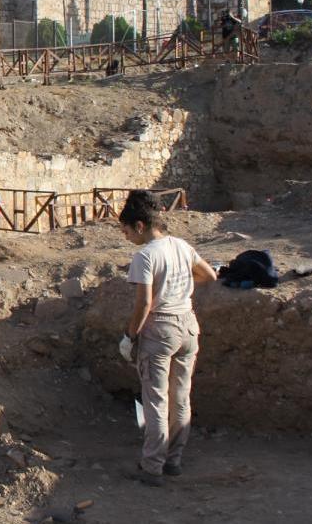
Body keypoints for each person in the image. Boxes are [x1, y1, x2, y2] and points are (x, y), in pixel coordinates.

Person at [117, 190, 217, 487]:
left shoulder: (145, 255)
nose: (126, 238)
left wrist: (129, 336)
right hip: (188, 325)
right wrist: (179, 285)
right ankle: (174, 460)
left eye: (126, 231)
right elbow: (209, 275)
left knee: (156, 401)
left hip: (159, 330)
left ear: (139, 226)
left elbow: (144, 303)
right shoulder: (182, 246)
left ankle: (152, 467)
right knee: (180, 397)